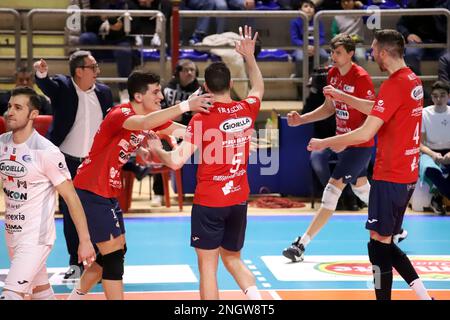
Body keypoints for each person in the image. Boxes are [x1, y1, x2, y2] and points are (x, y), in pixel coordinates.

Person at [67, 70, 213, 300]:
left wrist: (226, 132)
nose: (161, 97)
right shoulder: (121, 113)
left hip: (106, 192)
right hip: (90, 190)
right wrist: (186, 105)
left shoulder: (151, 121)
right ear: (137, 96)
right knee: (114, 259)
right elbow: (144, 122)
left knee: (112, 255)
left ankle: (73, 297)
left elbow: (187, 132)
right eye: (155, 92)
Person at [310, 29, 432, 300]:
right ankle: (425, 296)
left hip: (391, 174)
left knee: (378, 247)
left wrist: (325, 142)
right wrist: (345, 98)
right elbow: (380, 107)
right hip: (407, 174)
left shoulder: (393, 84)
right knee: (383, 243)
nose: (372, 54)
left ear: (385, 53)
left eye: (375, 50)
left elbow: (366, 133)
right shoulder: (412, 80)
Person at [147, 25, 263, 300]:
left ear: (206, 88)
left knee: (208, 268)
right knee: (233, 258)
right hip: (238, 198)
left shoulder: (201, 119)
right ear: (232, 84)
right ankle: (258, 301)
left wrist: (156, 150)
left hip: (210, 201)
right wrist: (249, 56)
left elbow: (176, 161)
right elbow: (258, 86)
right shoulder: (246, 109)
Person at [282, 33, 377, 263]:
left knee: (332, 191)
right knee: (361, 187)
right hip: (342, 140)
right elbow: (329, 108)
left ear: (351, 53)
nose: (333, 57)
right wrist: (301, 119)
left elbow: (371, 109)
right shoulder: (333, 74)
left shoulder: (361, 77)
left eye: (338, 53)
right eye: (332, 52)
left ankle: (300, 244)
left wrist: (342, 95)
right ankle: (394, 226)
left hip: (359, 142)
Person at [0, 87, 96, 300]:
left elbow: (71, 197)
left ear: (33, 114)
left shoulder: (47, 152)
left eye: (18, 108)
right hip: (12, 234)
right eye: (9, 107)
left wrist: (85, 240)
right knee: (40, 291)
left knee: (10, 294)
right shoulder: (2, 143)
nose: (10, 112)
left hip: (36, 237)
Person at [34, 50, 113, 280]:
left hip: (95, 163)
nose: (97, 71)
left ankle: (99, 261)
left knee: (97, 213)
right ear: (79, 71)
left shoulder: (105, 93)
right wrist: (41, 74)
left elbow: (111, 125)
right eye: (93, 67)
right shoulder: (64, 87)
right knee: (70, 213)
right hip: (66, 161)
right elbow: (46, 85)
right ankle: (75, 263)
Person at [419, 80, 450, 215]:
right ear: (431, 97)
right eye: (435, 96)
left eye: (442, 95)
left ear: (449, 96)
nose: (439, 99)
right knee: (429, 168)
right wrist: (432, 154)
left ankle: (437, 198)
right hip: (429, 152)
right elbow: (418, 143)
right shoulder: (424, 113)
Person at [396, 0, 449, 76]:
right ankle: (416, 85)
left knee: (448, 57)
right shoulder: (414, 3)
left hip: (441, 42)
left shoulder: (446, 3)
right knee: (411, 54)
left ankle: (444, 86)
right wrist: (408, 35)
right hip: (419, 41)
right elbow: (400, 25)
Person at [290, 0, 329, 79]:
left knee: (324, 56)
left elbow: (322, 38)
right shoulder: (294, 22)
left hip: (316, 46)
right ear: (300, 10)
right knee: (300, 58)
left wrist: (314, 46)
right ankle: (299, 76)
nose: (309, 9)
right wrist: (306, 46)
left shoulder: (318, 21)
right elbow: (294, 39)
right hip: (301, 47)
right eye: (306, 6)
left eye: (311, 7)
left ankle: (313, 75)